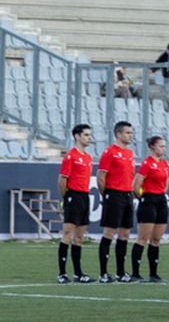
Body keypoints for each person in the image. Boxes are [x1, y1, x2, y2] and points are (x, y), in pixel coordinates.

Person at [96, 121, 138, 282]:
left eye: (131, 132)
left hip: (128, 195)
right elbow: (101, 177)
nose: (130, 135)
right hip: (114, 194)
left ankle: (121, 272)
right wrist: (106, 196)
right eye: (127, 132)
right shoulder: (109, 152)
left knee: (125, 233)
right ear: (119, 134)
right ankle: (103, 273)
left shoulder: (129, 153)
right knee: (109, 232)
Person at [56, 124, 95, 283]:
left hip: (85, 197)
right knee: (67, 235)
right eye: (86, 135)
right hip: (73, 196)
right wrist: (67, 197)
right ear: (77, 136)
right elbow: (62, 180)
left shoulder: (88, 157)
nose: (89, 138)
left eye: (89, 135)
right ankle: (62, 273)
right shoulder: (71, 156)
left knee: (79, 238)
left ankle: (78, 273)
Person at [131, 135, 169, 282]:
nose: (163, 149)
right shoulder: (147, 163)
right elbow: (136, 185)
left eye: (164, 146)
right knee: (143, 238)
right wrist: (141, 197)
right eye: (161, 146)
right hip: (148, 200)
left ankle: (153, 274)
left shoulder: (164, 164)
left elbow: (166, 183)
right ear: (153, 147)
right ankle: (135, 273)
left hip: (160, 200)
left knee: (156, 239)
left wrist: (161, 193)